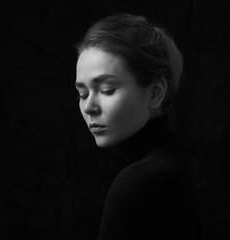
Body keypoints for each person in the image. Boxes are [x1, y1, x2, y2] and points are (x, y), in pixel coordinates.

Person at [75, 13, 203, 240]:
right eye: (82, 93)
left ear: (155, 93)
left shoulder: (139, 181)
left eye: (106, 90)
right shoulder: (170, 165)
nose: (89, 107)